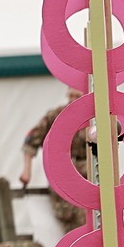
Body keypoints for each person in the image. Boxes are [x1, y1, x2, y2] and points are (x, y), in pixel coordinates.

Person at [19, 87, 89, 235]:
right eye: (70, 96)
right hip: (63, 174)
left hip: (89, 175)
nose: (72, 100)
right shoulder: (56, 116)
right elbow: (31, 141)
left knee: (94, 217)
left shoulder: (94, 118)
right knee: (71, 218)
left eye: (76, 96)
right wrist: (27, 171)